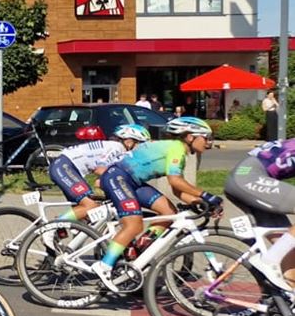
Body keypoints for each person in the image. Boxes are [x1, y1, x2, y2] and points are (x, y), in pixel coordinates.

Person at [91, 117, 220, 290]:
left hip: (132, 181)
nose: (209, 142)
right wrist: (206, 195)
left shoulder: (178, 150)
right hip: (118, 177)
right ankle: (104, 266)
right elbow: (175, 181)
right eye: (206, 137)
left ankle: (138, 250)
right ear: (190, 137)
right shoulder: (176, 149)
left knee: (169, 213)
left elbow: (177, 190)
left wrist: (200, 202)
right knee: (133, 225)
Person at [223, 139, 295, 291]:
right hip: (247, 178)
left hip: (248, 178)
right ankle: (269, 260)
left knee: (289, 250)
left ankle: (287, 295)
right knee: (282, 250)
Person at [47, 124, 148, 221]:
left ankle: (67, 228)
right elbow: (100, 169)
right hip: (65, 167)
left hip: (66, 166)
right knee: (90, 206)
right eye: (141, 144)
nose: (142, 148)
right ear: (129, 142)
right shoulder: (117, 148)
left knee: (83, 215)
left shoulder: (114, 146)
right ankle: (52, 226)